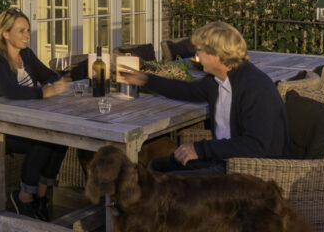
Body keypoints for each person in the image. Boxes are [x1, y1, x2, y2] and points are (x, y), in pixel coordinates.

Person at [118, 21, 290, 175]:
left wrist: (200, 149)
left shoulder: (255, 87)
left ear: (217, 54)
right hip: (223, 158)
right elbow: (185, 90)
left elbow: (256, 145)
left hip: (250, 171)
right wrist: (144, 79)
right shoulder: (217, 81)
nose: (197, 56)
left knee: (168, 187)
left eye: (199, 50)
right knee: (157, 165)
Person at [0, 8, 70, 220]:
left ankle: (41, 194)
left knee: (61, 138)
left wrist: (57, 82)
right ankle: (24, 197)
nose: (26, 35)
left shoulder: (27, 55)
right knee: (43, 141)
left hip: (27, 121)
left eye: (28, 30)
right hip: (0, 126)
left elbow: (49, 74)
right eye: (21, 31)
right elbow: (10, 91)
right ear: (6, 33)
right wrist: (43, 92)